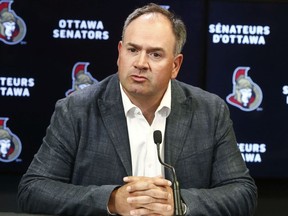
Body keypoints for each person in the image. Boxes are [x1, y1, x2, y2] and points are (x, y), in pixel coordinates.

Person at [17, 3, 257, 216]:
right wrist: (111, 201)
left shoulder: (210, 111)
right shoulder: (76, 109)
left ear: (175, 65)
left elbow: (242, 192)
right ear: (119, 52)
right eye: (133, 50)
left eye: (155, 54)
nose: (140, 63)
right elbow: (34, 189)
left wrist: (178, 203)